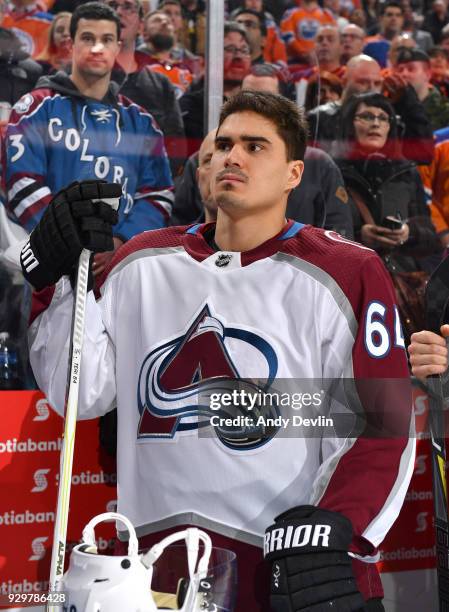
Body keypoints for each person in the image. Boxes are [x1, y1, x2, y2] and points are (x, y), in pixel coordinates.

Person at [24, 90, 415, 611]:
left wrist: (337, 526)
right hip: (150, 569)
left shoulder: (346, 271)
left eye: (255, 147)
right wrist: (55, 279)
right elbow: (81, 390)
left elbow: (381, 423)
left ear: (294, 174)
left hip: (284, 568)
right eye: (224, 144)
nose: (232, 157)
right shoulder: (142, 260)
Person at [5, 2, 173, 277]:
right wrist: (69, 241)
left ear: (118, 47)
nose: (98, 48)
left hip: (119, 267)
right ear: (70, 45)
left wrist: (120, 242)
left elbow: (158, 194)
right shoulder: (34, 108)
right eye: (87, 38)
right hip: (47, 269)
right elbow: (21, 182)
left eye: (106, 40)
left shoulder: (143, 124)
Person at [104, 0, 186, 178]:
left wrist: (152, 189)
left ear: (141, 26)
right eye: (111, 6)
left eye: (127, 7)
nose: (118, 12)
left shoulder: (161, 85)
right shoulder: (77, 76)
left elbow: (175, 144)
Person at [308, 53, 434, 164]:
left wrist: (409, 102)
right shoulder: (319, 118)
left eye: (377, 83)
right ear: (345, 82)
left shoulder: (388, 119)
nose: (371, 88)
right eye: (363, 82)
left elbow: (423, 155)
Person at [179, 21, 252, 153]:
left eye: (244, 50)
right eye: (230, 49)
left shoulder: (254, 104)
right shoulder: (191, 105)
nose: (238, 56)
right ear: (209, 58)